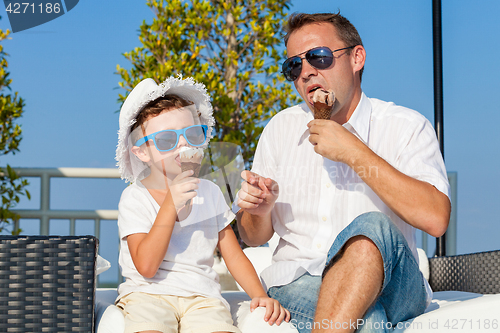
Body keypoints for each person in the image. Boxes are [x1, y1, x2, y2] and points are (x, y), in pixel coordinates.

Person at [236, 12, 451, 333]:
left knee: (370, 227)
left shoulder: (405, 125)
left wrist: (353, 150)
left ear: (356, 58)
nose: (306, 72)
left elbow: (436, 219)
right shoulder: (280, 128)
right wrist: (260, 211)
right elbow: (252, 236)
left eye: (318, 58)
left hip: (395, 281)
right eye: (294, 66)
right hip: (298, 280)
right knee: (369, 322)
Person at [115, 76, 290, 333]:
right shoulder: (135, 198)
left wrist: (258, 294)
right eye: (166, 140)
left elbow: (232, 254)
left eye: (193, 134)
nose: (183, 145)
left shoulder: (209, 192)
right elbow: (147, 267)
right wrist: (170, 205)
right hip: (148, 294)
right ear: (141, 152)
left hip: (203, 298)